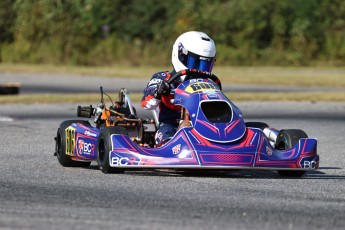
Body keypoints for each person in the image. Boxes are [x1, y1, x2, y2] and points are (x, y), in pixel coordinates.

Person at [141, 31, 216, 146]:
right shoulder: (163, 79)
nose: (200, 70)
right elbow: (146, 103)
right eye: (196, 63)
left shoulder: (210, 83)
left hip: (203, 125)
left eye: (205, 65)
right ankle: (172, 152)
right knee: (168, 140)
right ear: (181, 55)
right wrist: (159, 92)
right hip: (170, 124)